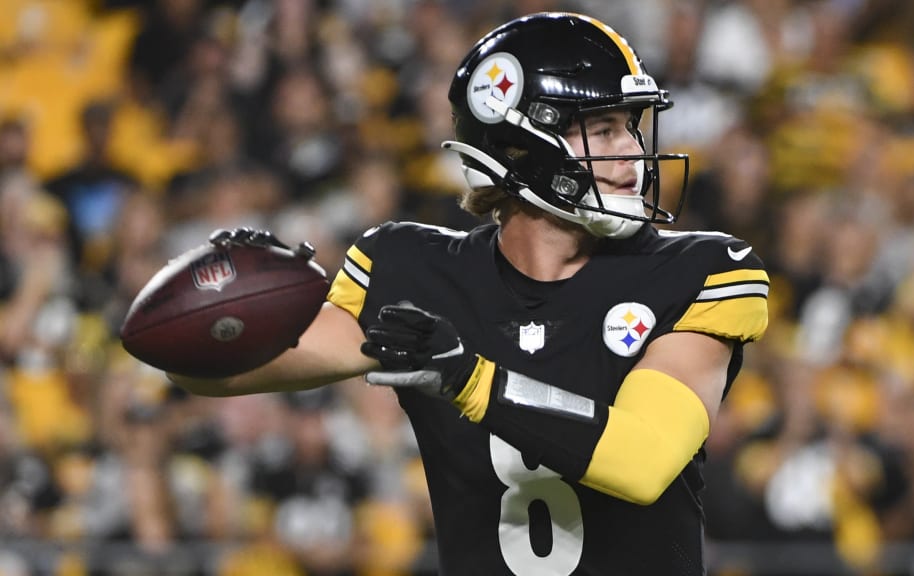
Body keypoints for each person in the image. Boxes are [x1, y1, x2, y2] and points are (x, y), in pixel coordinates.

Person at [172, 12, 770, 575]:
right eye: (605, 129)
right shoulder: (415, 271)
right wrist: (221, 301)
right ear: (525, 144)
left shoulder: (700, 271)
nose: (633, 154)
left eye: (632, 129)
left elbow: (644, 462)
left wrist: (472, 380)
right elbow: (209, 371)